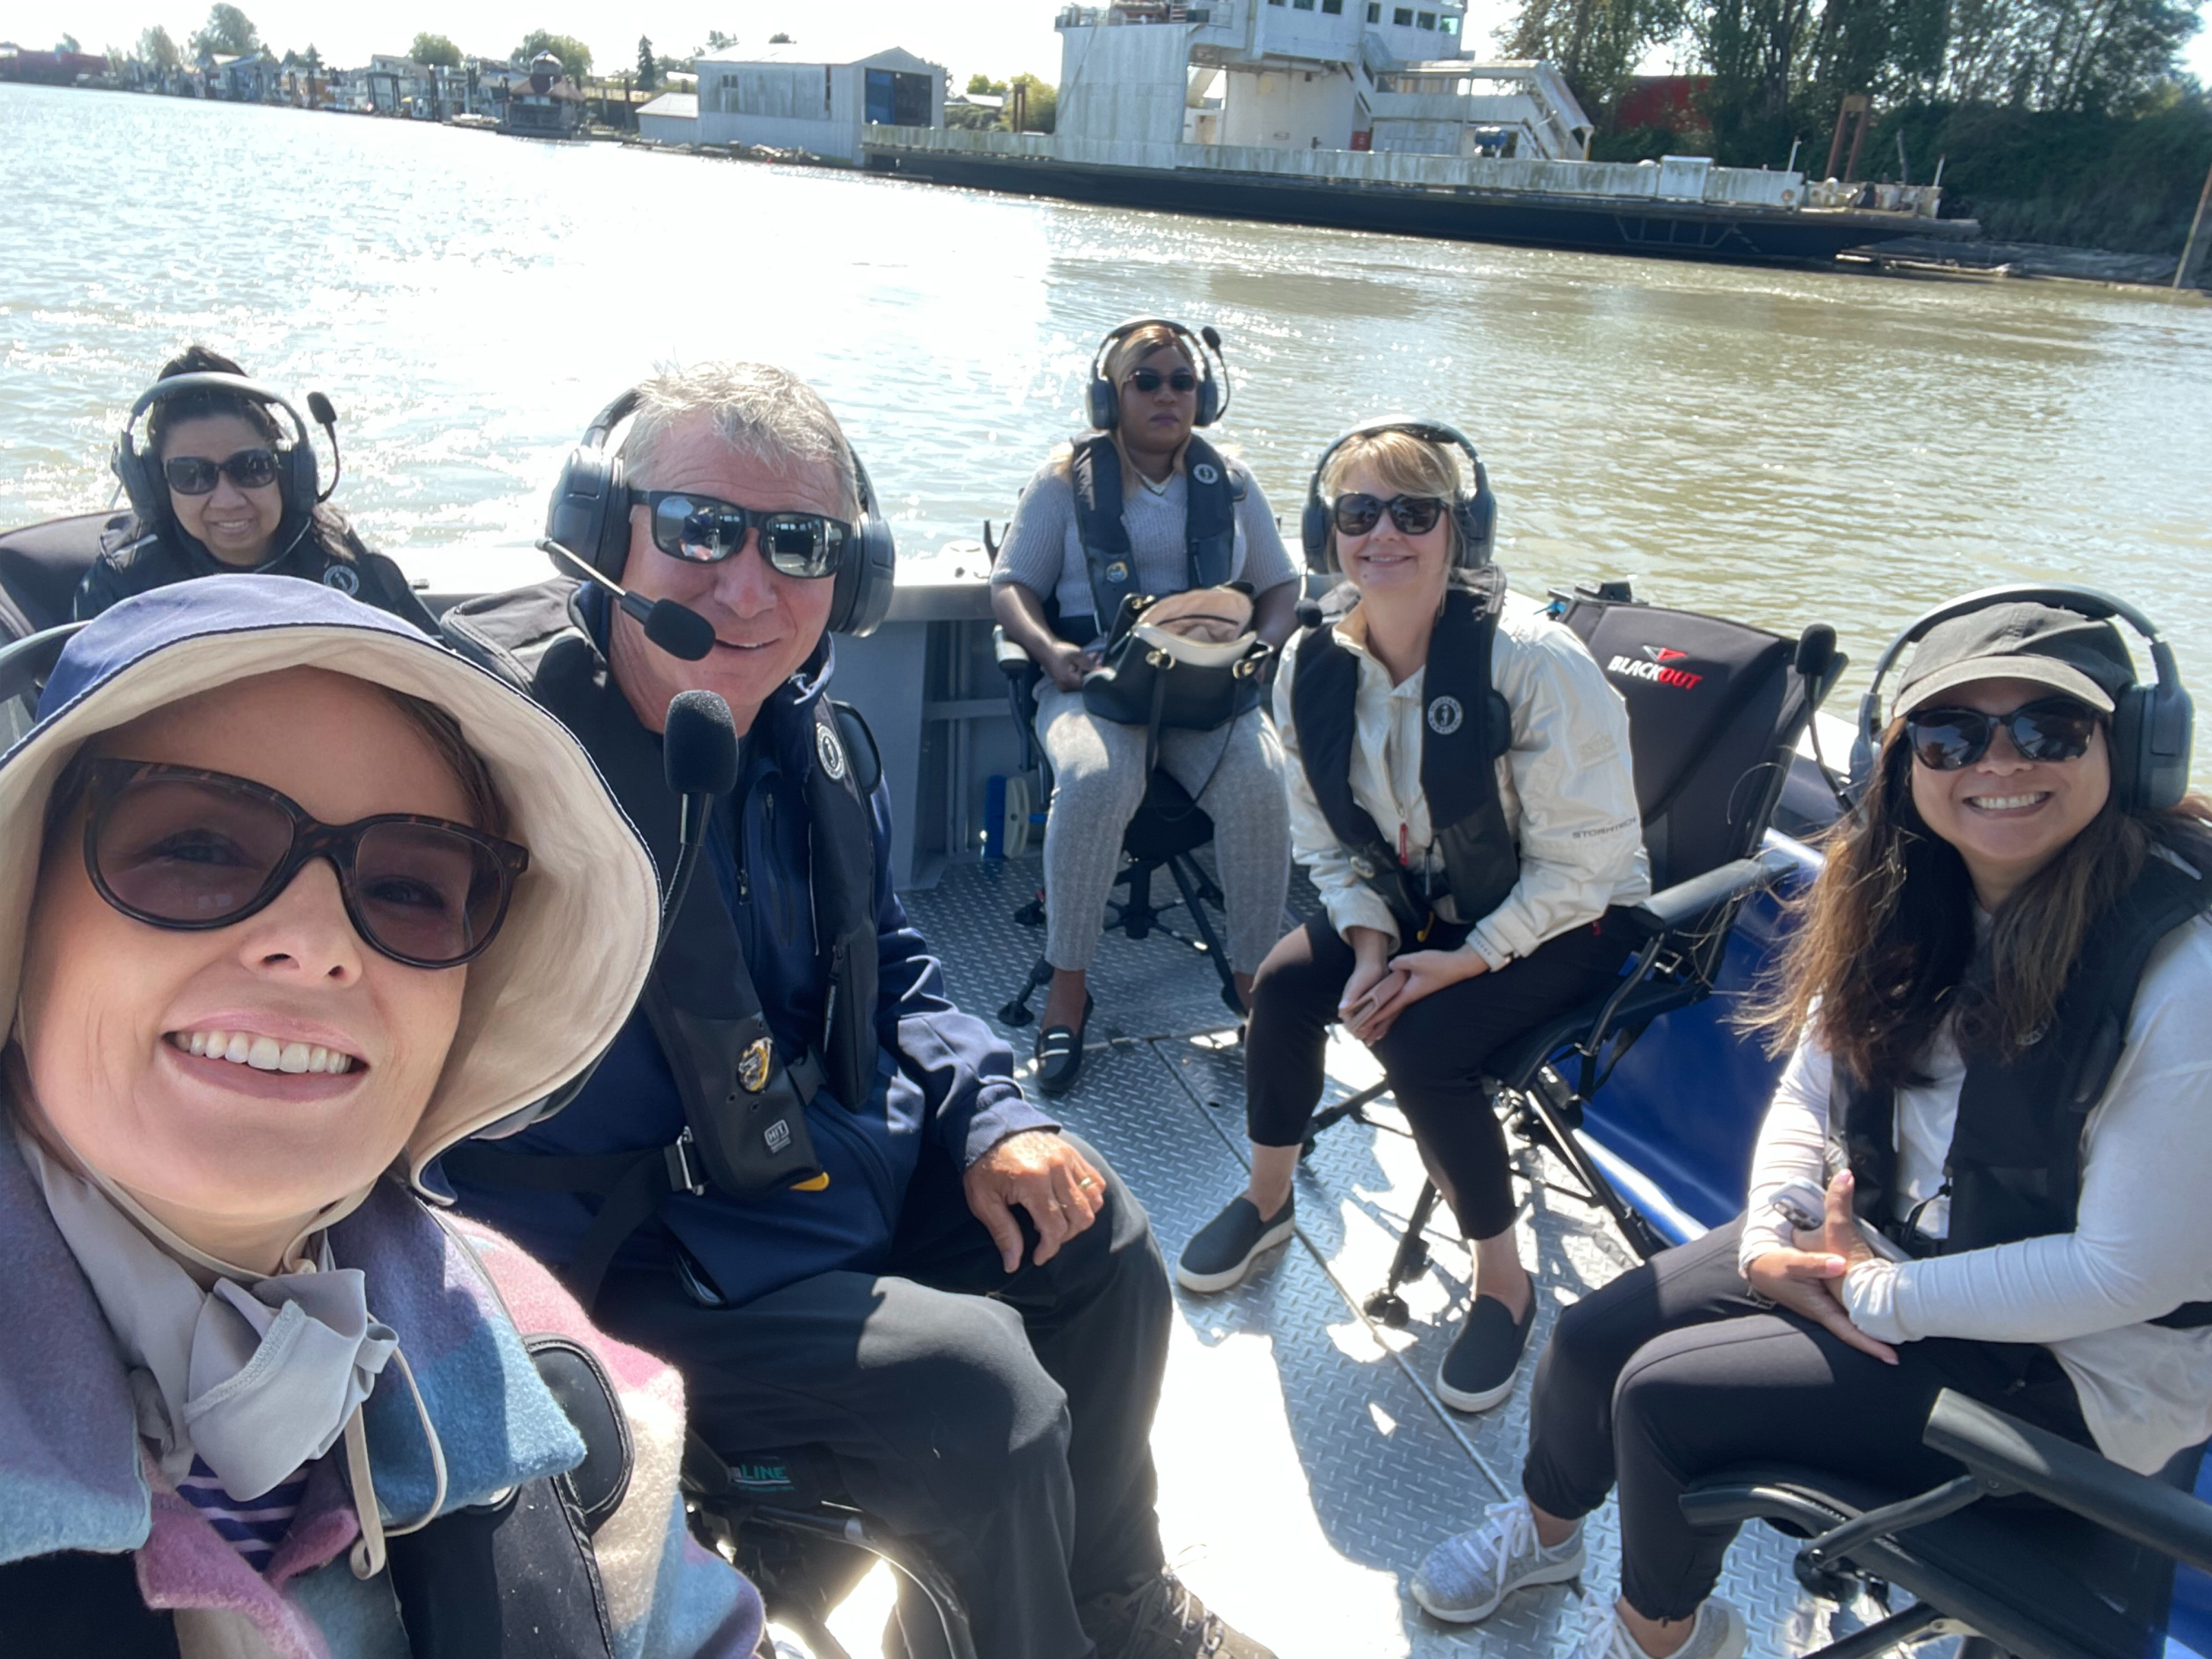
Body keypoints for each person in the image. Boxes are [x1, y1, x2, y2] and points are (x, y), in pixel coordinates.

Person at [438, 361, 1276, 1659]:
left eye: (800, 543)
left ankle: (1118, 1610)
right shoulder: (491, 772)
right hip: (638, 1269)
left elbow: (892, 959)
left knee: (1103, 1252)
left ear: (855, 572)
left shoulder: (816, 745)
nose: (749, 584)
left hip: (820, 1187)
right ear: (608, 533)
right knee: (984, 1404)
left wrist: (993, 1118)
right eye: (701, 528)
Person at [1409, 597, 2212, 1659]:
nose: (1997, 762)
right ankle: (1549, 1537)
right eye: (1951, 733)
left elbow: (2131, 1274)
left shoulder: (2182, 970)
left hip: (2072, 1375)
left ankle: (1665, 1640)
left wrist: (1881, 1296)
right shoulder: (1900, 886)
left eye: (2050, 730)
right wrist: (1772, 1229)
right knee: (1594, 1339)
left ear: (2136, 747)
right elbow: (1813, 1083)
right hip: (1885, 1254)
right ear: (1906, 757)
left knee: (1663, 1404)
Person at [0, 577, 761, 1656]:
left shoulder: (549, 1361)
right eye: (199, 850)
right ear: (23, 912)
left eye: (408, 888)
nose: (314, 939)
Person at [1178, 421, 1649, 1417]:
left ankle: (1503, 1286)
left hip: (1571, 918)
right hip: (1422, 904)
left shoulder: (1534, 662)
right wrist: (1368, 939)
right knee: (1279, 983)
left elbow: (1587, 863)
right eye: (1358, 511)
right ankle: (1268, 1202)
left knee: (1423, 1038)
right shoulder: (1308, 662)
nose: (1382, 533)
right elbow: (1327, 838)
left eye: (1413, 511)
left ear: (1456, 530)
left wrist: (1465, 960)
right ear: (1327, 531)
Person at [990, 319, 1299, 1094]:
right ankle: (1069, 991)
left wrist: (1263, 643)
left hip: (1209, 687)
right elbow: (1010, 589)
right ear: (1111, 395)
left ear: (1206, 395)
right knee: (1097, 783)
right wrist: (1050, 652)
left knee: (1264, 782)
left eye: (1182, 381)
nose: (1168, 394)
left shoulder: (1230, 481)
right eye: (1146, 380)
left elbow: (1282, 587)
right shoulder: (1063, 481)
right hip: (1096, 681)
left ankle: (1257, 988)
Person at [78, 346, 436, 632]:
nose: (228, 499)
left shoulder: (337, 555)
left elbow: (429, 669)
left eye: (250, 469)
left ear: (288, 471)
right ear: (155, 486)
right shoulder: (125, 585)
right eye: (192, 475)